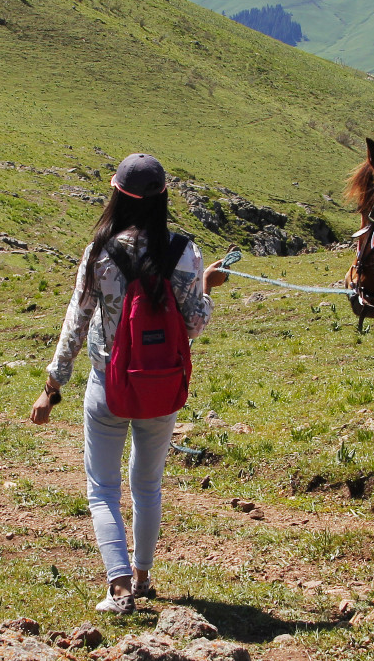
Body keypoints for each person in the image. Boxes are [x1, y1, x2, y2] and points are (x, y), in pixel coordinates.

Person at [31, 153, 228, 616]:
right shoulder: (184, 252)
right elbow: (195, 324)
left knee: (102, 486)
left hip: (109, 383)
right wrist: (206, 286)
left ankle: (118, 586)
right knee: (148, 484)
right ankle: (142, 576)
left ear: (117, 194)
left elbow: (76, 323)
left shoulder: (99, 251)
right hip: (162, 388)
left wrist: (52, 386)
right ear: (162, 199)